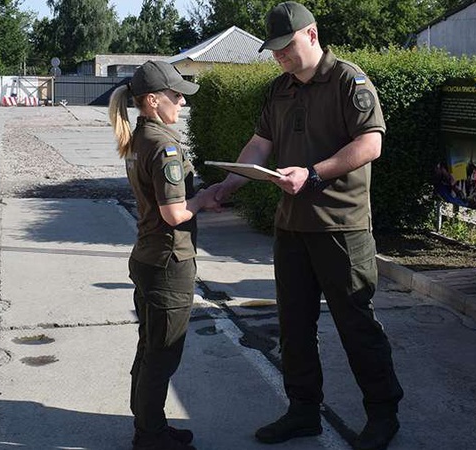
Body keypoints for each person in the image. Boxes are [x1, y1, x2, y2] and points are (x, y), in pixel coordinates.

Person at [213, 2, 404, 450]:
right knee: (294, 325)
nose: (280, 56)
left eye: (287, 46)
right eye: (275, 50)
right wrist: (227, 186)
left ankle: (383, 414)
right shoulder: (279, 89)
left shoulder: (347, 80)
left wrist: (313, 173)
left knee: (356, 325)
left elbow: (370, 143)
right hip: (293, 227)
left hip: (341, 227)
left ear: (312, 35)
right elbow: (260, 146)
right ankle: (303, 411)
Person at [108, 60, 219, 450]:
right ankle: (150, 435)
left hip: (148, 257)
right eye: (176, 96)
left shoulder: (140, 138)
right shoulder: (164, 145)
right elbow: (174, 213)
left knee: (150, 346)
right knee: (163, 354)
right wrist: (203, 198)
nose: (181, 104)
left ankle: (148, 425)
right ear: (153, 101)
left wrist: (195, 200)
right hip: (168, 263)